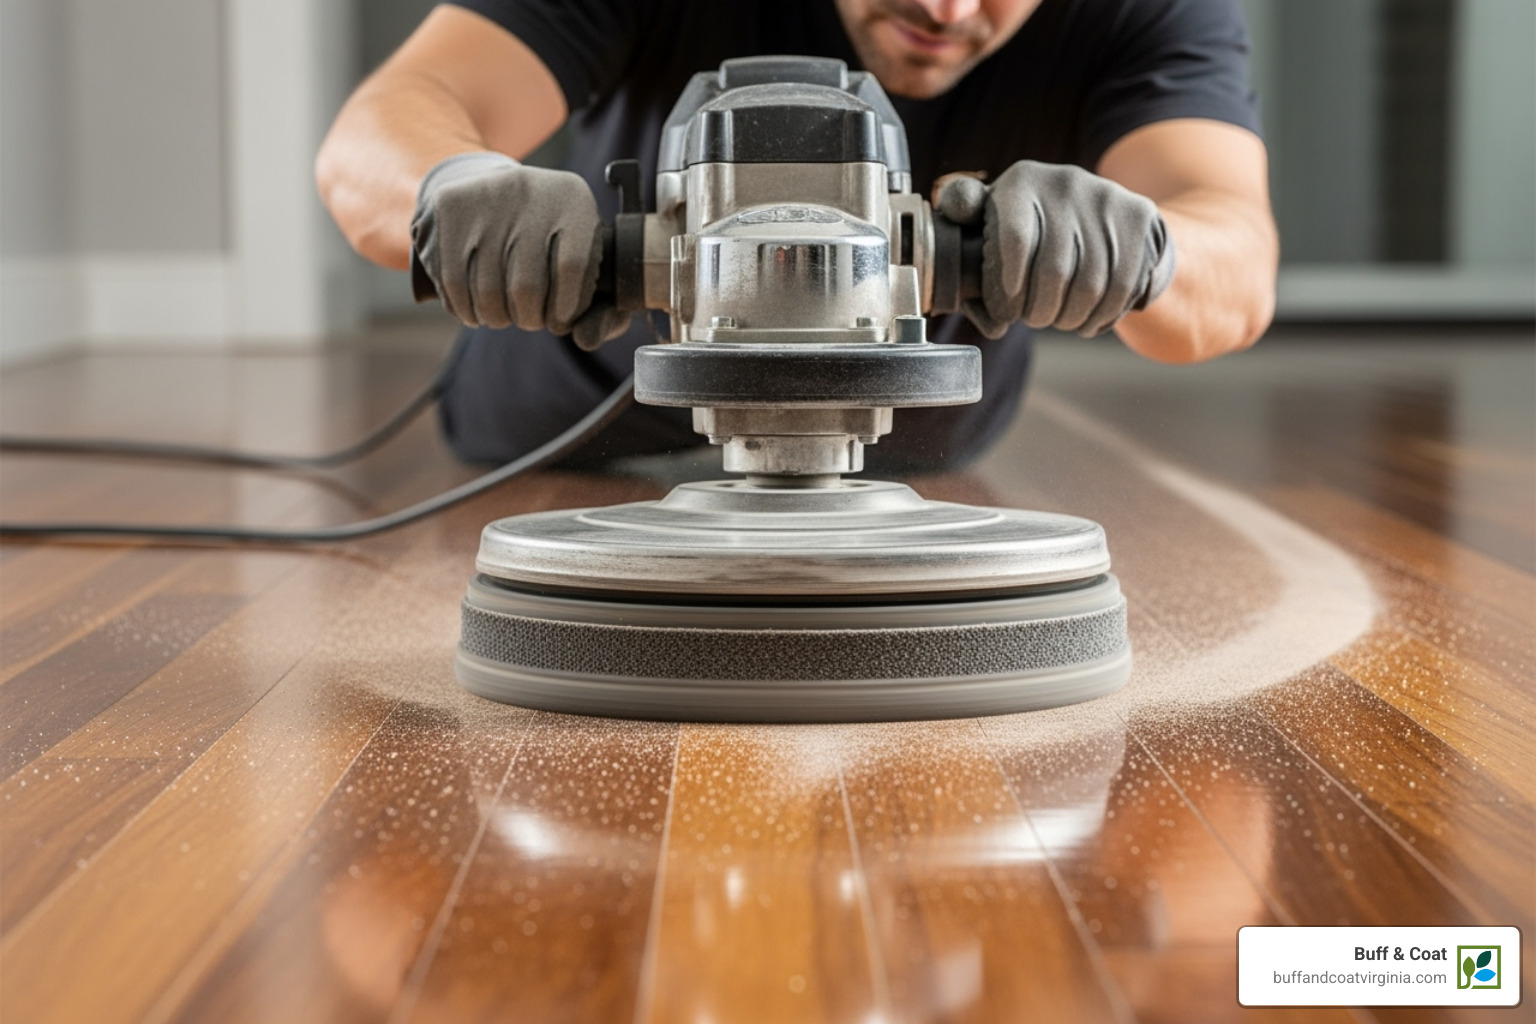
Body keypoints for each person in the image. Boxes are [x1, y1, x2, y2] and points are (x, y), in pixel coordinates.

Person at [317, 0, 1277, 471]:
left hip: (909, 437)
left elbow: (1234, 259)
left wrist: (1144, 247)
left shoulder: (1152, 11)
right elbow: (376, 137)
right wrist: (463, 183)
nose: (945, 11)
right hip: (578, 407)